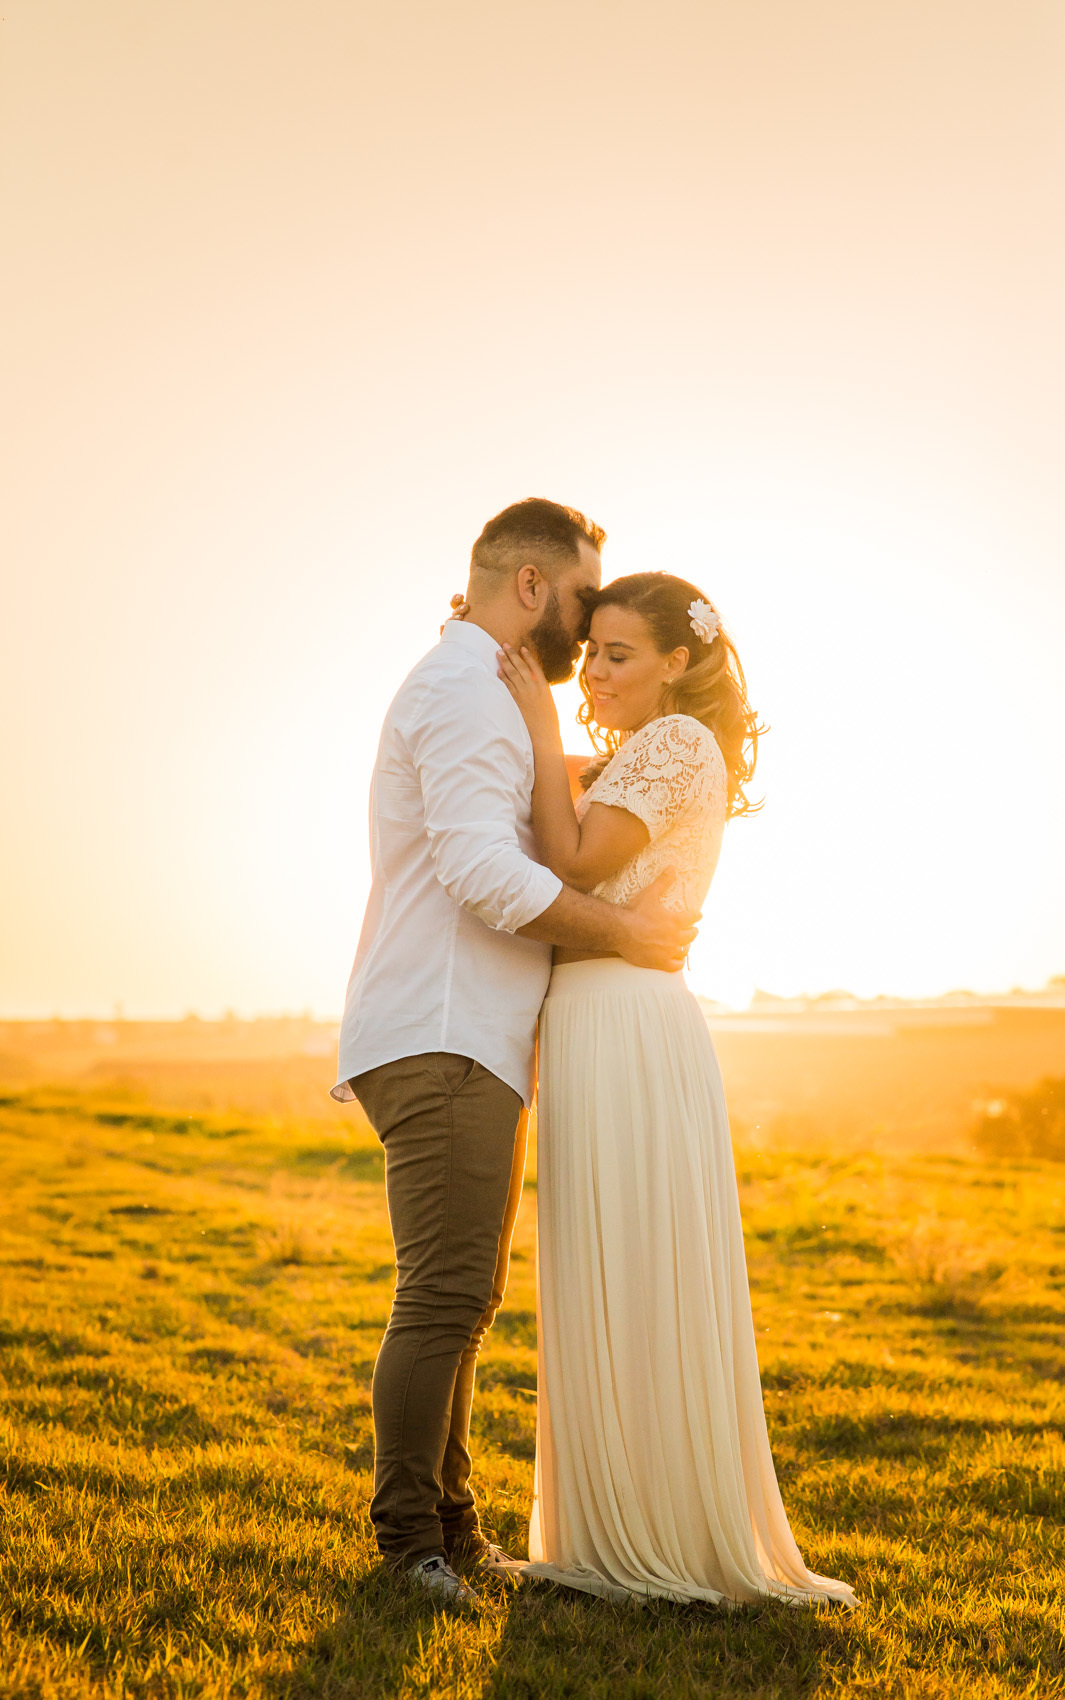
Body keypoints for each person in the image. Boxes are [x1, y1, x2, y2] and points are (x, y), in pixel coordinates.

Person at [332, 502, 698, 1612]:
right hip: (441, 1031)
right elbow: (485, 871)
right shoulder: (461, 693)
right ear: (533, 588)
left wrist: (635, 757)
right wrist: (629, 935)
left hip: (466, 1037)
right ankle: (410, 1541)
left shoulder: (483, 693)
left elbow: (538, 808)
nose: (587, 633)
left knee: (464, 1293)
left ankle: (456, 1524)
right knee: (442, 1294)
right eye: (584, 603)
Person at [496, 571, 859, 1608]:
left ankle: (649, 1533)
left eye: (617, 654)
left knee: (635, 1258)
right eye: (591, 653)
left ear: (677, 661)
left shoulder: (672, 746)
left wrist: (528, 711)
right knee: (610, 1261)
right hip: (598, 1018)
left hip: (622, 1016)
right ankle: (615, 1521)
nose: (593, 673)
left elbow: (567, 855)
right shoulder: (633, 753)